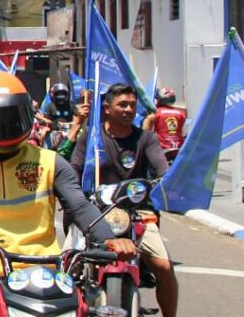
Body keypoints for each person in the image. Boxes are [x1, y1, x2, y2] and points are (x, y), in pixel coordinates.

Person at [0, 71, 136, 278]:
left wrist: (108, 238)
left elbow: (79, 206)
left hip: (43, 271)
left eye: (10, 118)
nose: (2, 128)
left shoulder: (51, 162)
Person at [72, 83, 177, 317]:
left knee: (164, 267)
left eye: (132, 105)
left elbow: (162, 169)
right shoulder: (91, 138)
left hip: (136, 213)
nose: (129, 109)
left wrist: (165, 180)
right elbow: (74, 169)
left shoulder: (146, 138)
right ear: (107, 108)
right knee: (68, 264)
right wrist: (77, 194)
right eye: (122, 105)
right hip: (95, 213)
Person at [143, 87, 187, 159]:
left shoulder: (156, 113)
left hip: (163, 150)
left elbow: (146, 132)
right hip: (179, 149)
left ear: (160, 99)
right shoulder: (181, 114)